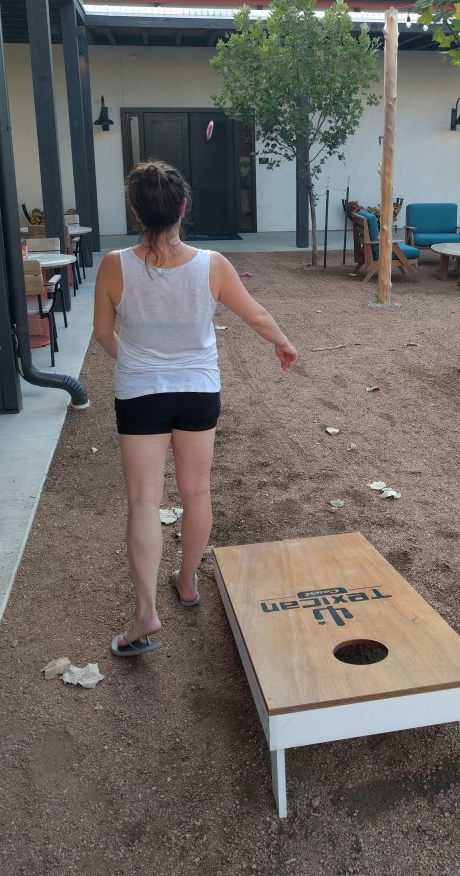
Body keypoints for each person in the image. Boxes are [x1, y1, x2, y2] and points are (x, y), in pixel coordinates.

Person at [93, 159, 298, 657]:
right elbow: (258, 314)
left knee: (144, 499)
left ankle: (145, 614)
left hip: (140, 393)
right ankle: (186, 582)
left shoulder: (114, 264)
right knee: (196, 489)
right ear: (184, 207)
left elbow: (103, 334)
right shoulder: (213, 264)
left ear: (135, 209)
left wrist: (139, 365)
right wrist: (284, 344)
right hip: (198, 390)